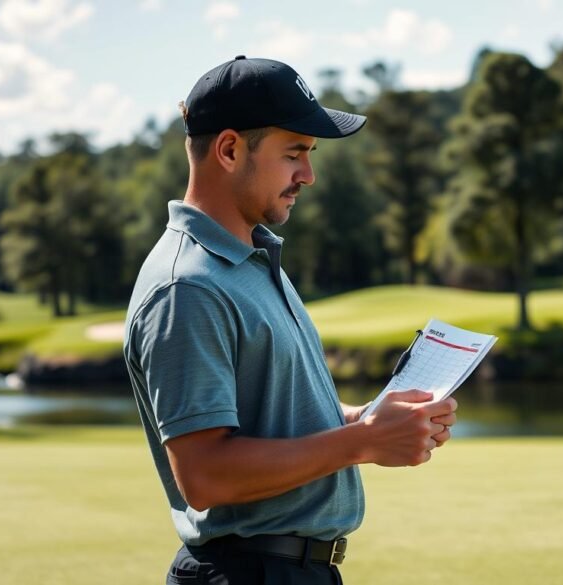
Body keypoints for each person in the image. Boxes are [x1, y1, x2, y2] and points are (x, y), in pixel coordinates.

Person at [123, 56, 458, 585]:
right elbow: (205, 474)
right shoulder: (186, 287)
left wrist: (364, 420)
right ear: (229, 150)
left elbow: (273, 412)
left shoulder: (250, 259)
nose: (309, 175)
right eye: (294, 153)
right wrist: (363, 442)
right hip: (249, 574)